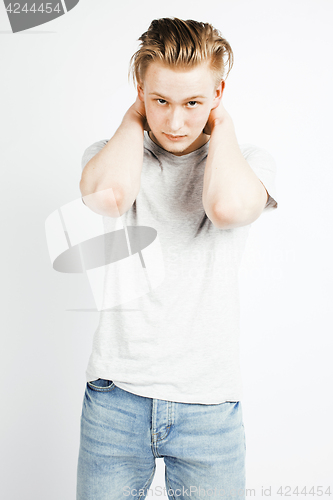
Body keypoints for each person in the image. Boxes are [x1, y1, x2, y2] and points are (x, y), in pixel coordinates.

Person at [77, 17, 278, 500]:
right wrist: (131, 120)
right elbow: (107, 198)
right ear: (140, 90)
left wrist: (221, 122)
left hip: (208, 406)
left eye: (193, 103)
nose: (174, 122)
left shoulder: (247, 161)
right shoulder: (110, 153)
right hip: (115, 400)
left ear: (218, 92)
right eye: (160, 100)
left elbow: (227, 209)